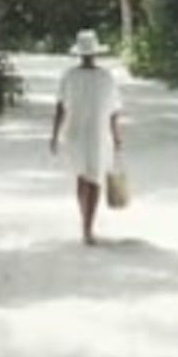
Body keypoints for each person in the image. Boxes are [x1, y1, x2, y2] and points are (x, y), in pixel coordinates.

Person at [49, 29, 123, 245]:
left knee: (82, 178)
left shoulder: (69, 77)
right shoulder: (106, 77)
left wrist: (54, 135)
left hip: (75, 133)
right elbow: (114, 111)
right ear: (95, 53)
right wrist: (116, 136)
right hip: (99, 134)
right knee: (95, 179)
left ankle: (85, 224)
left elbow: (60, 108)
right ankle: (88, 227)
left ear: (79, 53)